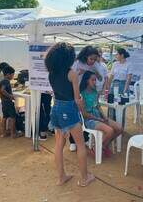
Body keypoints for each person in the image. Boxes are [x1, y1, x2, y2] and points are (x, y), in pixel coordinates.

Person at [45, 42, 94, 186]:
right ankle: (85, 178)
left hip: (57, 108)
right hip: (69, 110)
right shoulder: (71, 73)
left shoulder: (51, 74)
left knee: (59, 145)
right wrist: (83, 111)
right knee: (80, 145)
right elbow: (77, 99)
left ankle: (61, 178)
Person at [80, 71, 123, 157]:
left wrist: (104, 117)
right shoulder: (82, 94)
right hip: (89, 120)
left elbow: (98, 106)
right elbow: (84, 114)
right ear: (86, 81)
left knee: (119, 128)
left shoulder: (94, 92)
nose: (95, 82)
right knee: (110, 131)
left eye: (95, 80)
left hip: (98, 117)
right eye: (93, 80)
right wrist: (99, 119)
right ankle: (97, 147)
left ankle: (103, 145)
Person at [69, 46, 102, 152]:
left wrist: (97, 73)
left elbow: (100, 78)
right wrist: (79, 73)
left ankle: (86, 138)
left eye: (95, 59)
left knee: (86, 116)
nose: (92, 61)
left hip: (85, 93)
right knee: (75, 117)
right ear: (85, 56)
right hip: (74, 92)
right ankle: (72, 141)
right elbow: (70, 77)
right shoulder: (77, 63)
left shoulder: (95, 65)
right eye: (91, 59)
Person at [0, 66, 16, 138]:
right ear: (8, 74)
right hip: (8, 102)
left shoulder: (2, 81)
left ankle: (4, 133)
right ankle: (13, 134)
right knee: (13, 117)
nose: (12, 76)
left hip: (4, 102)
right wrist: (10, 96)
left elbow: (0, 91)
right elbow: (2, 90)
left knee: (4, 117)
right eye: (12, 75)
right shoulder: (6, 81)